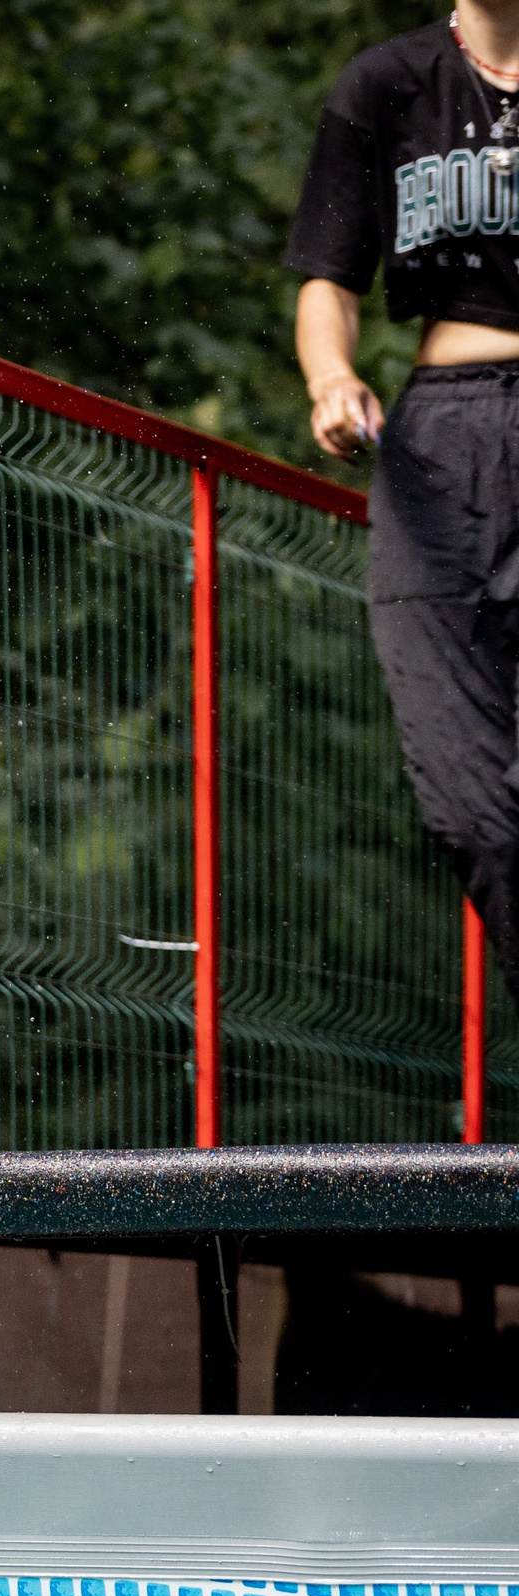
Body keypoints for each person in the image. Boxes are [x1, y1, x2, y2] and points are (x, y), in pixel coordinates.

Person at [288, 1, 519, 992]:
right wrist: (330, 378)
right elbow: (328, 278)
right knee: (469, 810)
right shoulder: (385, 83)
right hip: (438, 450)